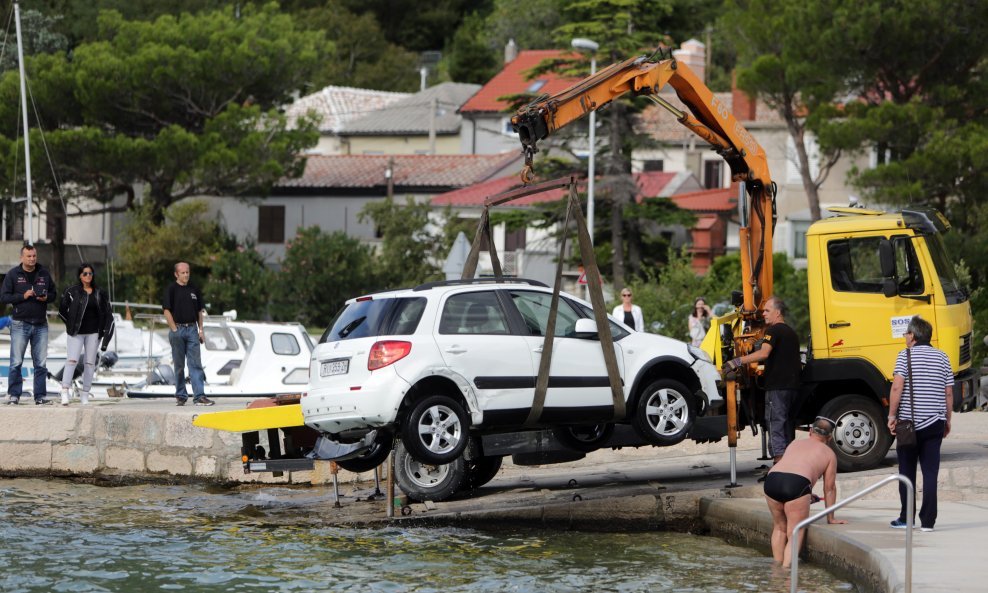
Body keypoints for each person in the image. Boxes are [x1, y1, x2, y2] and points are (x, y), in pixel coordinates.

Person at [886, 315, 952, 532]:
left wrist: (892, 416)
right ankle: (928, 522)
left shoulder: (904, 356)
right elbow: (948, 392)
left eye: (906, 333)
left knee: (907, 471)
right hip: (935, 422)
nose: (905, 337)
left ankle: (906, 518)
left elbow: (897, 388)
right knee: (930, 472)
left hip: (909, 424)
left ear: (913, 335)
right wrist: (948, 419)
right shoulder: (943, 356)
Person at [723, 296, 801, 462]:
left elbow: (763, 353)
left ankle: (779, 463)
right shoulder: (791, 332)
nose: (763, 313)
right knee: (787, 423)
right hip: (793, 387)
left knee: (775, 422)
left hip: (777, 387)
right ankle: (790, 461)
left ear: (778, 313)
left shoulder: (773, 331)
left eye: (767, 310)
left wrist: (735, 361)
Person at [763, 417, 846, 567]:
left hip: (772, 480)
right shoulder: (829, 454)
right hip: (797, 484)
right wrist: (831, 517)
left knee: (779, 528)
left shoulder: (795, 443)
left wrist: (806, 494)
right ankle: (787, 574)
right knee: (795, 531)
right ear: (830, 437)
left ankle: (776, 571)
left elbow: (791, 466)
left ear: (810, 431)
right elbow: (829, 488)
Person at [1, 244, 56, 405]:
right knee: (16, 362)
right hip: (20, 324)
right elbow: (4, 297)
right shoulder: (13, 274)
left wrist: (47, 298)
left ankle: (40, 396)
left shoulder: (44, 273)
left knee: (40, 363)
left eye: (34, 256)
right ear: (22, 258)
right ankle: (13, 395)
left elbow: (54, 294)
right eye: (28, 256)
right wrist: (22, 296)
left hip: (40, 324)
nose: (32, 259)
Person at [57, 263, 115, 405]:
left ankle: (85, 395)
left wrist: (104, 334)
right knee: (72, 360)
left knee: (90, 363)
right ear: (80, 276)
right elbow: (62, 311)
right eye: (85, 273)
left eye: (90, 273)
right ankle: (65, 391)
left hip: (94, 333)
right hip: (76, 332)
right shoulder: (72, 291)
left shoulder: (99, 293)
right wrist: (70, 325)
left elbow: (107, 313)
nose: (88, 276)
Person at [162, 261, 214, 406]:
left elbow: (199, 312)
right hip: (177, 329)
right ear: (176, 274)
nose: (186, 275)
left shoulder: (194, 289)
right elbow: (166, 310)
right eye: (183, 273)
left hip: (192, 329)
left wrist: (200, 330)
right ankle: (181, 395)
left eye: (187, 272)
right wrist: (174, 329)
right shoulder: (171, 289)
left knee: (196, 364)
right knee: (179, 365)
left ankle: (199, 396)